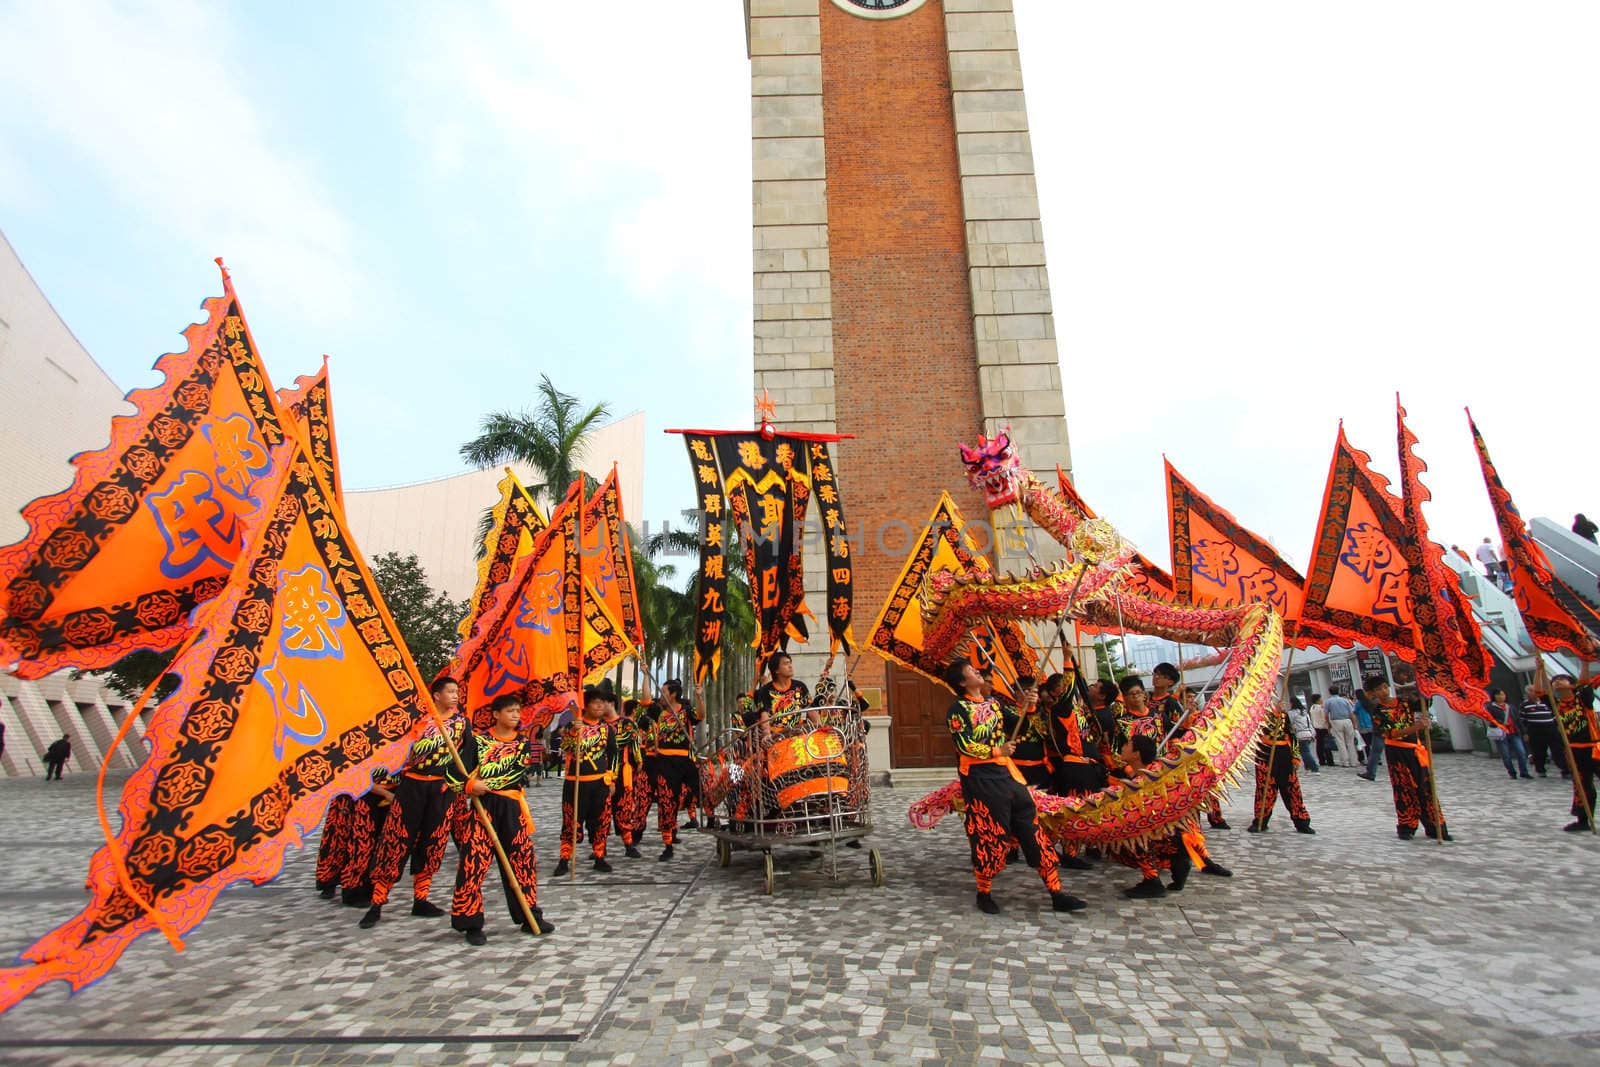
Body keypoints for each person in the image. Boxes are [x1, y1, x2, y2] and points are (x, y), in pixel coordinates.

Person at [943, 658, 1086, 915]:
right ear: (963, 681)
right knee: (990, 835)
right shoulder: (958, 709)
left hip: (1008, 776)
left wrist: (1029, 707)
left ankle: (1057, 892)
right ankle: (984, 892)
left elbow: (1020, 724)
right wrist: (996, 750)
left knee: (1033, 831)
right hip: (981, 780)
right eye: (973, 672)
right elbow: (963, 744)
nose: (979, 673)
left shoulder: (994, 704)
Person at [360, 676, 468, 929]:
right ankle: (377, 902)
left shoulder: (462, 724)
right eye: (450, 692)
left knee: (433, 841)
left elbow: (468, 757)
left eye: (457, 692)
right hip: (412, 786)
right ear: (437, 695)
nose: (455, 696)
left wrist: (457, 782)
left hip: (442, 789)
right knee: (396, 840)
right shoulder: (415, 721)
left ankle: (422, 898)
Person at [445, 693, 553, 944]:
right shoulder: (477, 741)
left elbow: (515, 772)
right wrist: (470, 785)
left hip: (511, 808)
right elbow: (451, 774)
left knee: (523, 862)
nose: (516, 715)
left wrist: (484, 785)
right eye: (510, 711)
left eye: (518, 711)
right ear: (495, 714)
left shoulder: (522, 743)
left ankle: (529, 915)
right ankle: (470, 921)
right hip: (482, 810)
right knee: (473, 863)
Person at [1112, 734, 1193, 898]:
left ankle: (1152, 880)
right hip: (1174, 836)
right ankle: (1175, 864)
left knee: (1124, 835)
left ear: (1136, 754)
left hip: (1163, 836)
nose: (1123, 747)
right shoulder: (1153, 772)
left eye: (1127, 744)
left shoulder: (1146, 780)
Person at [1368, 682, 1450, 840]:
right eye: (1378, 689)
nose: (1383, 691)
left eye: (1385, 687)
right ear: (1373, 693)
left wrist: (1423, 685)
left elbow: (1424, 703)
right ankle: (1407, 826)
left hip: (1415, 749)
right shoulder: (1378, 711)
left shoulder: (1404, 702)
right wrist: (1417, 727)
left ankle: (1436, 827)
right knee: (1404, 790)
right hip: (1397, 753)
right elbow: (1392, 734)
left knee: (1426, 788)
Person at [555, 686, 620, 877]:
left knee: (600, 821)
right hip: (575, 782)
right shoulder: (573, 726)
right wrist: (574, 733)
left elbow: (613, 754)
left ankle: (599, 856)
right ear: (586, 705)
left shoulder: (606, 729)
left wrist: (612, 777)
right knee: (571, 821)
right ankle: (564, 858)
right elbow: (565, 748)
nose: (600, 706)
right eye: (595, 703)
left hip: (599, 783)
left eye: (603, 703)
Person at [644, 679, 703, 860]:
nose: (661, 695)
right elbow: (646, 700)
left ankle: (711, 819)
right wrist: (645, 674)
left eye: (664, 692)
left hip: (685, 760)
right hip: (665, 763)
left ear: (673, 694)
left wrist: (700, 697)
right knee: (666, 803)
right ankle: (668, 844)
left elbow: (700, 715)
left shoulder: (685, 711)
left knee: (702, 791)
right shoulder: (658, 712)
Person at [1248, 705, 1314, 834]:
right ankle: (1260, 821)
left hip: (1284, 754)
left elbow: (1292, 735)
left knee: (1292, 789)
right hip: (1265, 754)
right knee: (1265, 789)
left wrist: (1295, 757)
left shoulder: (1284, 714)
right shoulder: (1255, 713)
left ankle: (1301, 822)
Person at [1551, 674, 1599, 832]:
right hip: (1574, 750)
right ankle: (1584, 820)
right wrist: (1538, 670)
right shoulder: (1555, 704)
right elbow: (1538, 690)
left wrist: (1584, 660)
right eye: (1554, 681)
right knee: (1583, 786)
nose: (1557, 682)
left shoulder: (1583, 699)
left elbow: (1585, 682)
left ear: (1572, 685)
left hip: (1594, 748)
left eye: (1561, 679)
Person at [604, 695, 648, 858]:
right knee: (602, 812)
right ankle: (600, 847)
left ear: (612, 704)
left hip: (621, 772)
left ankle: (628, 844)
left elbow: (633, 743)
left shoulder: (626, 724)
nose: (600, 707)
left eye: (603, 703)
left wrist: (638, 761)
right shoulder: (598, 725)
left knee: (623, 808)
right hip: (600, 773)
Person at [1000, 676, 1052, 789]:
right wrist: (1028, 709)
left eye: (1033, 690)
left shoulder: (1042, 711)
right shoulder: (1006, 710)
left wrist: (1033, 709)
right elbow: (1015, 729)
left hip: (1040, 767)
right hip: (1016, 767)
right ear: (1017, 692)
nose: (1029, 693)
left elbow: (1044, 733)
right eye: (1026, 690)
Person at [750, 651, 811, 727]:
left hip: (798, 734)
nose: (790, 666)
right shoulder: (764, 691)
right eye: (786, 664)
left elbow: (811, 709)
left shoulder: (800, 686)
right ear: (776, 670)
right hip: (776, 735)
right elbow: (764, 717)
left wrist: (820, 729)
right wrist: (767, 735)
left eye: (790, 663)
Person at [314, 794, 357, 898]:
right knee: (334, 841)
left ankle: (353, 886)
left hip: (369, 798)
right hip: (344, 798)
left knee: (358, 846)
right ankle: (328, 882)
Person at [1484, 688, 1531, 780]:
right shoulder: (1490, 707)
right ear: (1494, 696)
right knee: (1506, 755)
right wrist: (1500, 722)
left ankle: (1524, 772)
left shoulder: (1510, 707)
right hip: (1501, 734)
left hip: (1514, 732)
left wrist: (1524, 732)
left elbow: (1518, 720)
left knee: (1521, 752)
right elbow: (1489, 719)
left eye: (1503, 694)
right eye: (1499, 695)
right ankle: (1512, 772)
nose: (1501, 696)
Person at [1521, 685, 1566, 778]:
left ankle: (1565, 770)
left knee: (1558, 750)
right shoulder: (1524, 705)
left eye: (1536, 691)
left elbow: (1555, 715)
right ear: (1528, 693)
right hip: (1535, 730)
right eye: (1532, 691)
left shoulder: (1547, 702)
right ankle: (1541, 769)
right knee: (1539, 752)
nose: (1534, 693)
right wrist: (1525, 733)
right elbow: (1522, 720)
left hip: (1551, 729)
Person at [1355, 681, 1386, 781]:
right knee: (1375, 751)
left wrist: (1361, 694)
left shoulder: (1376, 702)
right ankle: (1370, 772)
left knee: (1375, 751)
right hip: (1379, 730)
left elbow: (1366, 703)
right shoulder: (1375, 701)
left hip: (1382, 730)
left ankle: (1371, 772)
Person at [1325, 687, 1359, 768]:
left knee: (1340, 742)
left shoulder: (1328, 701)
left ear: (1330, 692)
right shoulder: (1345, 700)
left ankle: (1345, 762)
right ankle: (1353, 761)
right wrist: (1354, 724)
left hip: (1336, 721)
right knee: (1350, 742)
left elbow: (1326, 715)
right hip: (1347, 720)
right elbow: (1351, 713)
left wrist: (1329, 725)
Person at [1287, 701, 1319, 772]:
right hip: (1308, 733)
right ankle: (1307, 767)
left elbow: (1290, 723)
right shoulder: (1304, 712)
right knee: (1305, 751)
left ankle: (1314, 767)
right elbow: (1309, 723)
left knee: (1305, 752)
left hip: (1300, 734)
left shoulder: (1291, 713)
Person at [1309, 693, 1334, 767]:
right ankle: (1330, 760)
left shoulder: (1312, 707)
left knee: (1319, 745)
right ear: (1318, 700)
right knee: (1327, 745)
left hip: (1316, 727)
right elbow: (1324, 717)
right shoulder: (1321, 707)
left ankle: (1321, 760)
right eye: (1320, 698)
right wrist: (1329, 725)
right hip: (1323, 727)